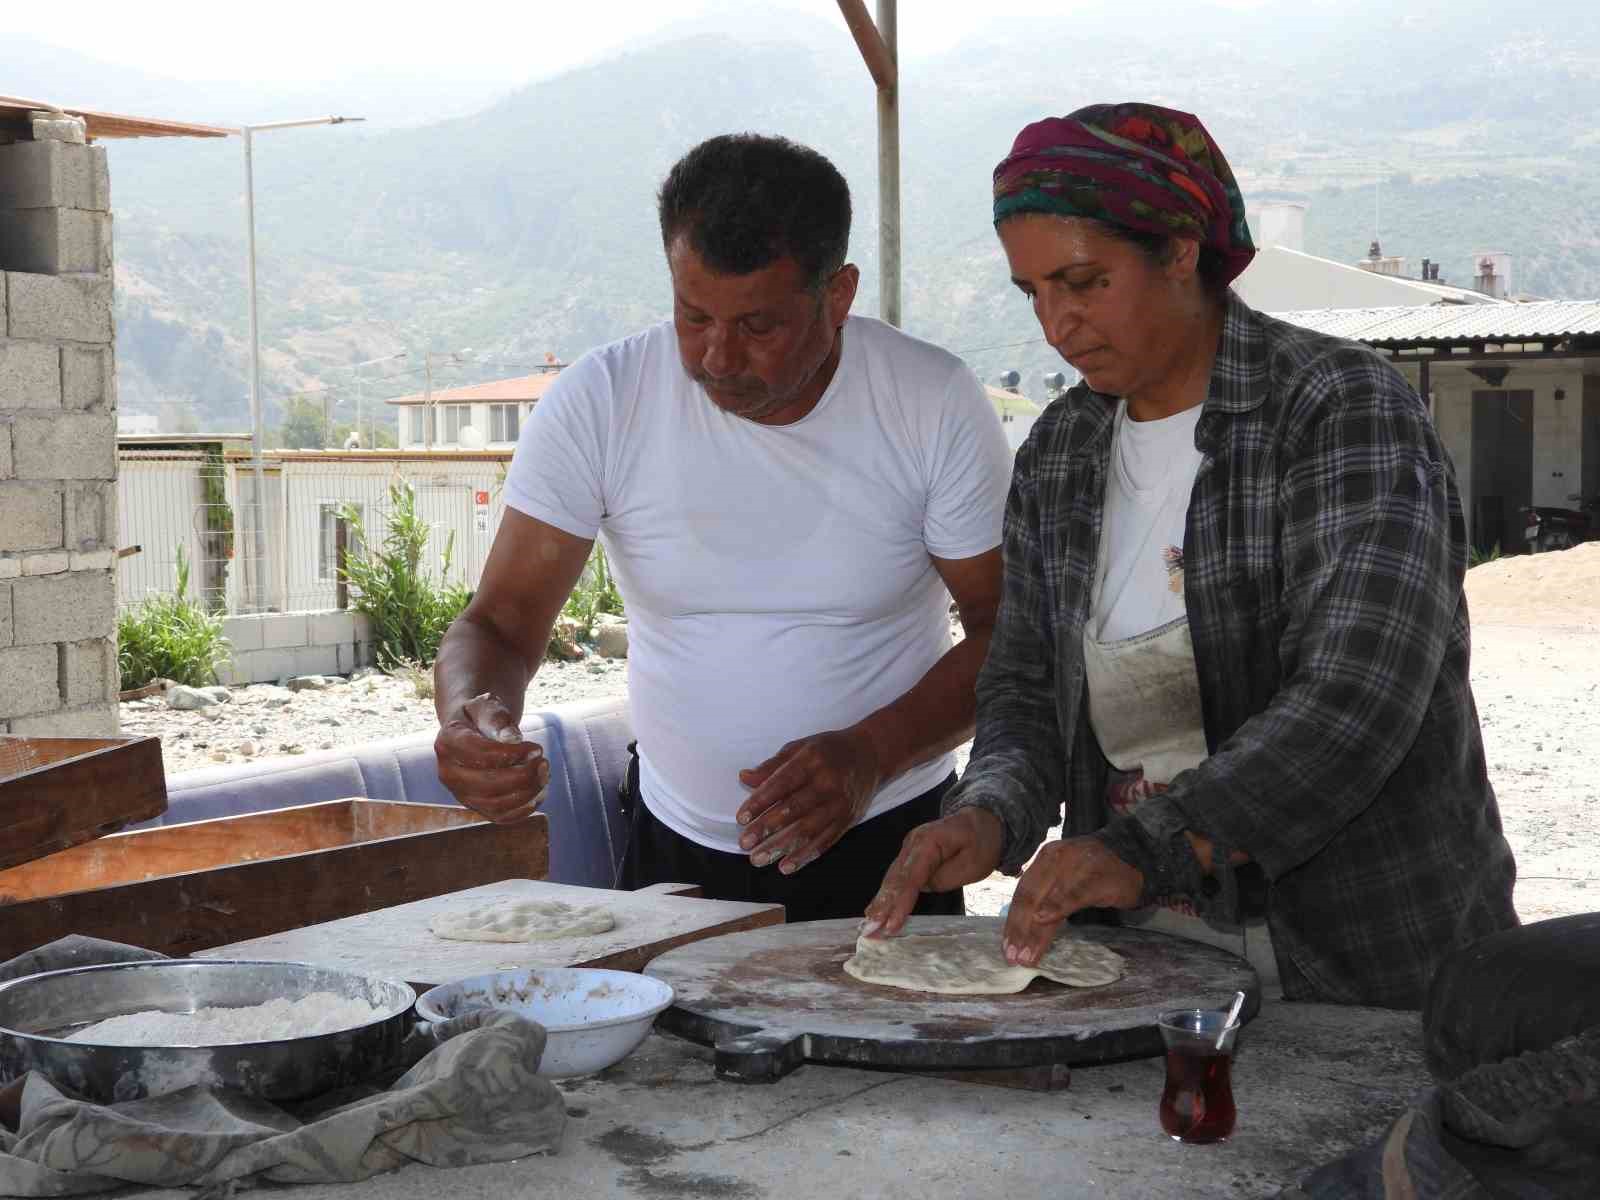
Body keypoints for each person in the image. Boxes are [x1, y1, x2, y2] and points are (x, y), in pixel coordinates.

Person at [863, 103, 1518, 1007]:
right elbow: (1021, 686)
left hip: (1362, 954)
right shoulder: (1061, 454)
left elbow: (1354, 702)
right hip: (1134, 968)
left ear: (1179, 250)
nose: (1056, 324)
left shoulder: (1338, 411)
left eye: (1084, 282)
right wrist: (990, 811)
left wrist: (1143, 848)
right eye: (1034, 292)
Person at [433, 133, 1012, 923]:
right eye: (691, 315)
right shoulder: (603, 400)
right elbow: (499, 622)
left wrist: (873, 752)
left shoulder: (931, 401)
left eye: (759, 327)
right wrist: (471, 715)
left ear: (837, 296)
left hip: (888, 840)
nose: (717, 356)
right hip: (674, 850)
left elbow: (1006, 635)